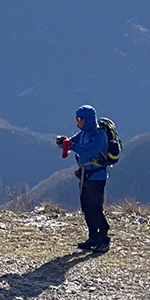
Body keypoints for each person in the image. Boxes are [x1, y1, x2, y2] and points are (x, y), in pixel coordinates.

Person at [57, 104, 111, 252]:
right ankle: (93, 238)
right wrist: (64, 142)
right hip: (85, 175)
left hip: (97, 176)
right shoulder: (84, 133)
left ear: (87, 120)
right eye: (76, 118)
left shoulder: (99, 134)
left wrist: (71, 145)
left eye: (80, 119)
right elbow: (72, 142)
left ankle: (104, 238)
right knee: (86, 207)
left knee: (95, 207)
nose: (77, 121)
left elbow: (90, 151)